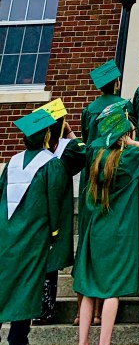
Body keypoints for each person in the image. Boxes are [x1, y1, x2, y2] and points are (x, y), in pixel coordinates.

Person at [73, 104, 139, 345]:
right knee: (111, 291)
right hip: (118, 231)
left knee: (88, 290)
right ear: (124, 135)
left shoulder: (96, 159)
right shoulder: (130, 160)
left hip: (95, 230)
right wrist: (130, 141)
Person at [0, 109, 67, 345]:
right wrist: (55, 233)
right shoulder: (51, 164)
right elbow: (55, 202)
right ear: (47, 135)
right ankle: (17, 343)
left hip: (6, 235)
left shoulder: (12, 162)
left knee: (3, 282)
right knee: (27, 285)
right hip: (33, 237)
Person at [36, 101, 85, 328]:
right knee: (50, 263)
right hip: (55, 211)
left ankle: (43, 309)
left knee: (46, 262)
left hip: (40, 213)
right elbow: (84, 149)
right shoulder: (68, 150)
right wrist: (70, 131)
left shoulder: (38, 153)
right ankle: (45, 309)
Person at [80, 60, 129, 146]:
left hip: (94, 155)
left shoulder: (89, 109)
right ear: (116, 84)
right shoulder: (124, 104)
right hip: (116, 155)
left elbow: (86, 137)